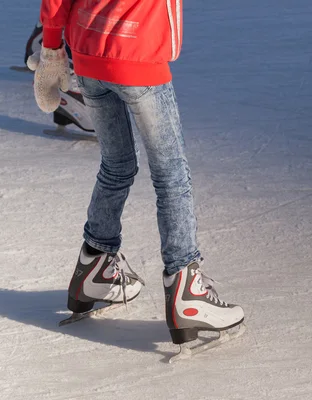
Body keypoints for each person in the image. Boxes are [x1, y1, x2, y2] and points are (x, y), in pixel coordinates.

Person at [28, 1, 244, 346]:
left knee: (117, 165)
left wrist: (52, 45)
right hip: (137, 56)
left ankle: (94, 265)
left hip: (87, 54)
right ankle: (186, 289)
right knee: (171, 175)